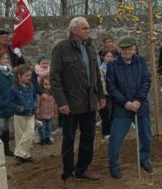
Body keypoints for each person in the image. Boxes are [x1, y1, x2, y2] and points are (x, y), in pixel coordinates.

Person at [50, 17, 105, 188]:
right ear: (74, 30)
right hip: (70, 104)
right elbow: (55, 78)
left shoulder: (89, 47)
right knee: (69, 140)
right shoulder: (61, 48)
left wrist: (101, 96)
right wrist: (61, 102)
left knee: (88, 137)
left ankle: (82, 170)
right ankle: (68, 174)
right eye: (84, 28)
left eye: (88, 28)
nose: (88, 30)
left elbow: (96, 73)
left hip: (89, 102)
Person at [106, 37, 152, 179]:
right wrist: (125, 102)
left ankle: (144, 159)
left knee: (146, 136)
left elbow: (146, 81)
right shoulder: (113, 65)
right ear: (120, 50)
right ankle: (113, 164)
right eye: (124, 49)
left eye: (130, 49)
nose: (127, 52)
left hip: (140, 106)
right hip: (122, 108)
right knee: (115, 138)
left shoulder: (141, 61)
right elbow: (111, 88)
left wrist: (138, 100)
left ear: (134, 49)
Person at [8, 64, 37, 165]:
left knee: (30, 134)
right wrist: (18, 108)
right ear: (19, 76)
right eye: (26, 76)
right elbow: (10, 102)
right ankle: (25, 156)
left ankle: (18, 154)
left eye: (29, 75)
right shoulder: (13, 89)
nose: (29, 78)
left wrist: (34, 104)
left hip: (31, 114)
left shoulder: (31, 86)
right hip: (20, 115)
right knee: (20, 136)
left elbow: (34, 97)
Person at [36, 76, 56, 146]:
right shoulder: (40, 94)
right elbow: (38, 104)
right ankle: (43, 139)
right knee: (42, 128)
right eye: (46, 84)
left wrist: (55, 112)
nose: (48, 86)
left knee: (49, 127)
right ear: (42, 85)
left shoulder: (52, 93)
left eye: (49, 84)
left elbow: (54, 104)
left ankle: (48, 138)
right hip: (42, 114)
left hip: (50, 113)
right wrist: (37, 112)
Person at [99, 50, 114, 140]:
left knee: (113, 113)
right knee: (106, 114)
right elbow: (102, 83)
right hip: (106, 94)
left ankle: (112, 130)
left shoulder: (114, 67)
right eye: (107, 56)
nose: (109, 58)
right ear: (103, 58)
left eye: (111, 57)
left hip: (113, 94)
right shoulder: (101, 69)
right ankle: (106, 132)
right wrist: (106, 93)